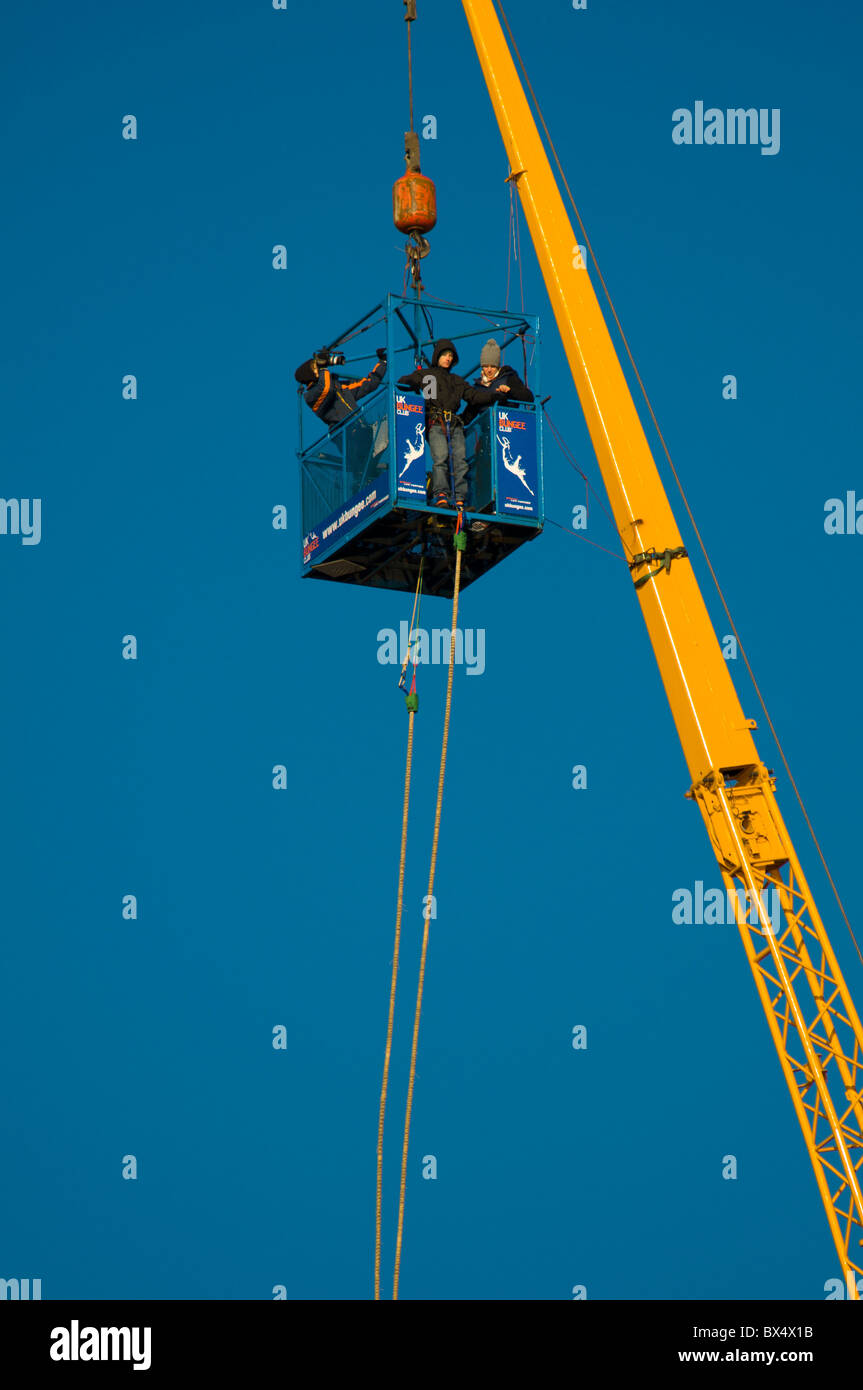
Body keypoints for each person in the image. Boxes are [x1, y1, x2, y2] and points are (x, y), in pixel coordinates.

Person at [397, 339, 498, 514]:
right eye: (445, 354)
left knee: (460, 461)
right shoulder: (427, 376)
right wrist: (411, 380)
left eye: (451, 356)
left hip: (454, 424)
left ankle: (460, 498)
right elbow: (403, 382)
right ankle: (441, 494)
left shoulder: (456, 380)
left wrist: (493, 396)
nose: (448, 358)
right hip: (435, 422)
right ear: (438, 356)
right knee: (441, 457)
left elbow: (474, 396)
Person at [294, 347, 387, 428]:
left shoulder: (339, 387)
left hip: (361, 427)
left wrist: (382, 362)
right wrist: (323, 368)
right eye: (316, 368)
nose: (318, 369)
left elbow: (369, 384)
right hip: (345, 435)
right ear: (310, 374)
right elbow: (327, 389)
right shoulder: (310, 396)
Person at [460, 338, 534, 428]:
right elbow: (468, 415)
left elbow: (529, 397)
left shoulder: (508, 378)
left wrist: (510, 390)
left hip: (508, 427)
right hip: (487, 431)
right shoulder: (478, 387)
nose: (489, 370)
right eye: (486, 366)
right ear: (482, 367)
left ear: (498, 366)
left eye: (493, 366)